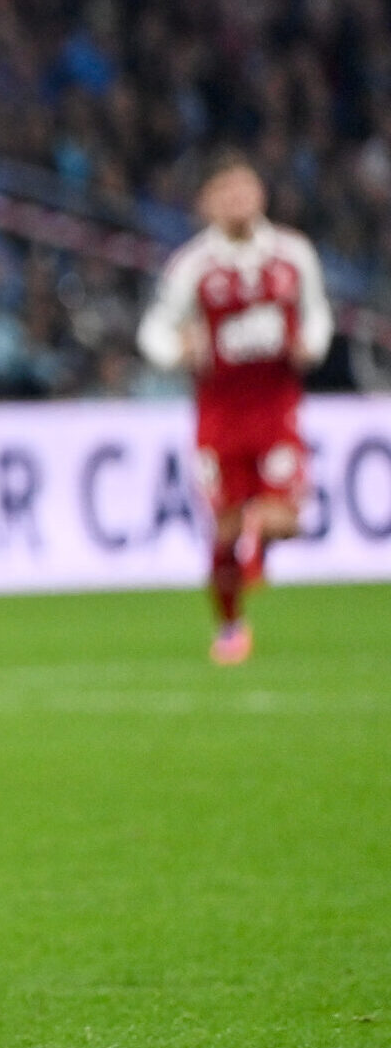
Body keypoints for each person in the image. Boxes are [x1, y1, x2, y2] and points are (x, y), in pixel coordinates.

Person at [139, 153, 333, 665]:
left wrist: (311, 345)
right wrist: (178, 350)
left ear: (260, 195)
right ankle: (230, 626)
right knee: (223, 530)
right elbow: (154, 330)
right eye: (226, 193)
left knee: (284, 519)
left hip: (276, 409)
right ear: (207, 204)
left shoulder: (293, 254)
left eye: (245, 189)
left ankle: (260, 544)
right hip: (219, 415)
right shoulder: (193, 266)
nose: (238, 201)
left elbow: (317, 316)